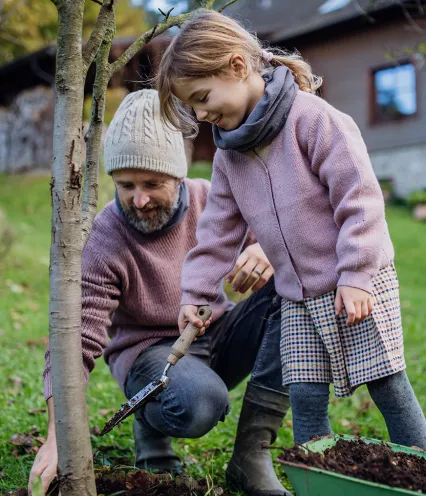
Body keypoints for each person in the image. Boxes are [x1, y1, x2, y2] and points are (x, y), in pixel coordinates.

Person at [156, 9, 426, 450]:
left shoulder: (314, 120)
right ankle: (314, 475)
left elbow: (360, 200)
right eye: (193, 107)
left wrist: (356, 275)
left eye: (203, 97)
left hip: (356, 281)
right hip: (296, 297)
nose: (202, 113)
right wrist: (196, 293)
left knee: (387, 384)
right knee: (303, 393)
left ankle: (418, 471)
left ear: (238, 67)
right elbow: (217, 232)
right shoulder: (229, 157)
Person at [28, 89, 292, 496]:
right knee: (200, 403)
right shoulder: (105, 237)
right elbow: (75, 339)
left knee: (296, 286)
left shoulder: (211, 198)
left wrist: (267, 248)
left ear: (179, 174)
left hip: (215, 332)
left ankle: (251, 456)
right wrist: (56, 436)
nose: (139, 199)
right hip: (150, 354)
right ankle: (150, 421)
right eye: (126, 184)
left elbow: (287, 234)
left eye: (153, 183)